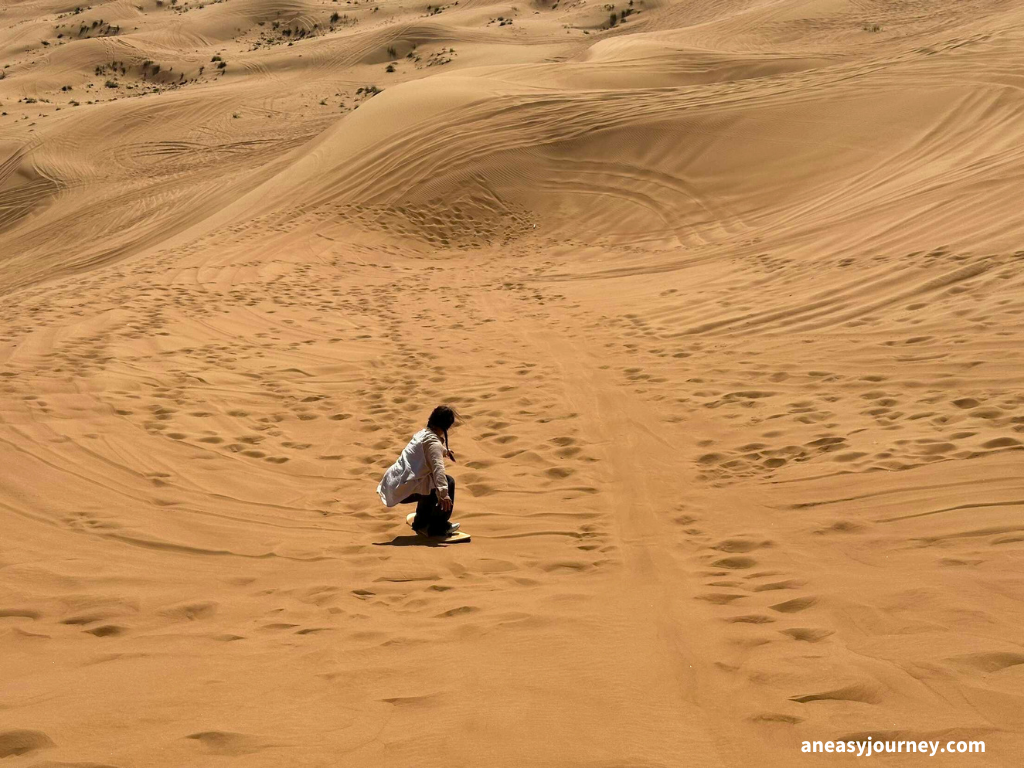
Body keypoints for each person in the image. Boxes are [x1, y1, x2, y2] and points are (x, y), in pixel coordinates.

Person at [377, 405, 460, 537]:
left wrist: (444, 451)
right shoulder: (433, 444)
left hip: (394, 481)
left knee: (427, 482)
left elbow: (428, 449)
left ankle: (421, 522)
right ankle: (438, 527)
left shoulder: (422, 433)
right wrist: (444, 495)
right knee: (447, 482)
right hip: (403, 487)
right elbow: (438, 470)